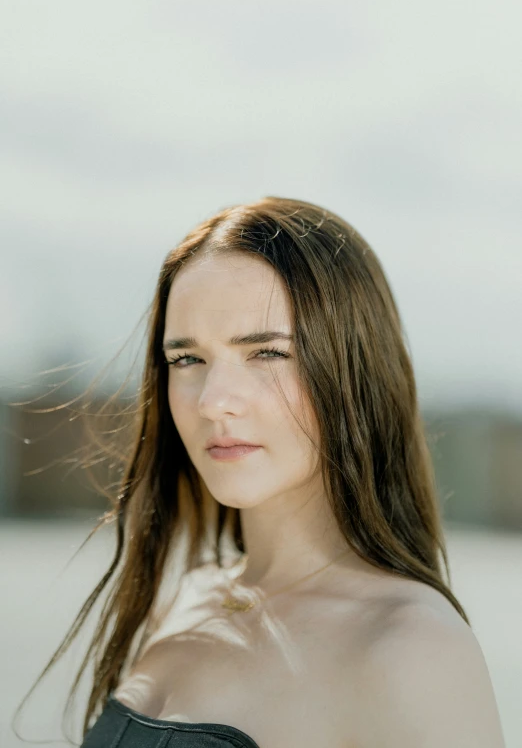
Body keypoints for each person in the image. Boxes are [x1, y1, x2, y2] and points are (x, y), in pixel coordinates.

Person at [15, 196, 506, 747]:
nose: (213, 402)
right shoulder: (190, 598)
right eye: (187, 359)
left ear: (354, 370)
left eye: (267, 354)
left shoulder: (411, 649)